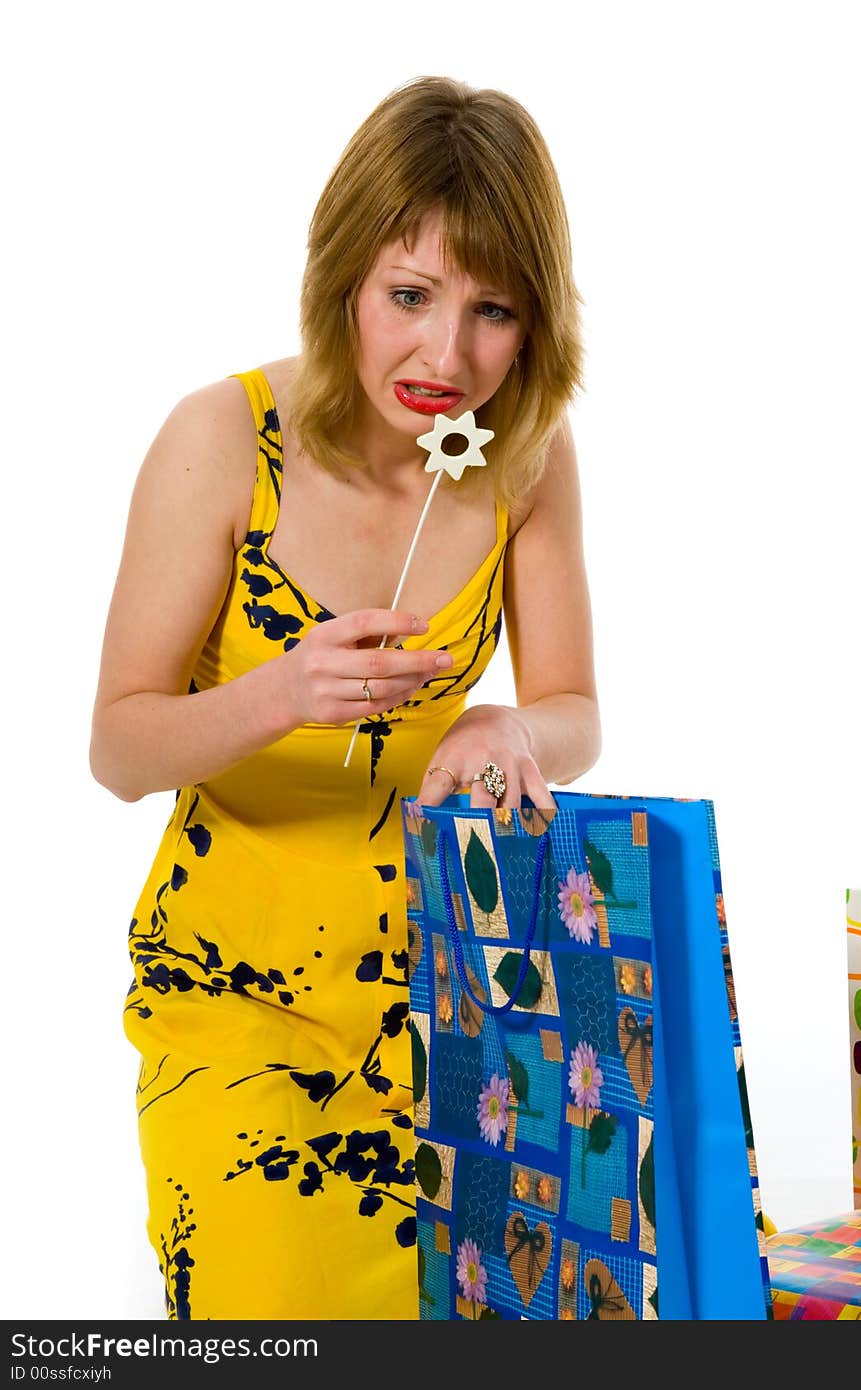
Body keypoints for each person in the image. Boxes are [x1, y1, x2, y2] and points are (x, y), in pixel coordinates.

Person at [89, 74, 601, 1321]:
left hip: (447, 996)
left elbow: (577, 707)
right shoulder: (223, 438)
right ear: (343, 283)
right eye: (409, 296)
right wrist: (281, 691)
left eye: (493, 311)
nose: (446, 355)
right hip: (234, 1001)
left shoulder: (522, 459)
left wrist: (505, 724)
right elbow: (117, 744)